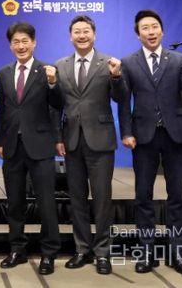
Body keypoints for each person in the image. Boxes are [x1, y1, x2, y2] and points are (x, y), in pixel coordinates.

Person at [119, 9, 182, 276]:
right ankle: (146, 252)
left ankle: (176, 253)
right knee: (143, 196)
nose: (151, 31)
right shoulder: (128, 62)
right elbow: (123, 100)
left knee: (177, 196)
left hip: (175, 134)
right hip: (143, 136)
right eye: (145, 28)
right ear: (138, 35)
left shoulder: (179, 60)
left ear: (162, 31)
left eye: (155, 26)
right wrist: (126, 132)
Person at [54, 15, 127, 275]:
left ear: (94, 35)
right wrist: (58, 138)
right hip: (72, 141)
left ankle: (103, 252)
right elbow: (56, 106)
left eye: (86, 31)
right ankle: (82, 249)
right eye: (77, 31)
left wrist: (116, 77)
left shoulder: (109, 63)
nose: (82, 35)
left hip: (101, 140)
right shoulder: (60, 66)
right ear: (70, 36)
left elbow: (121, 97)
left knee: (102, 199)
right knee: (77, 198)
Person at [0, 21, 63, 275]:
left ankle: (49, 252)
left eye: (25, 41)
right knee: (14, 202)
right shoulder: (4, 73)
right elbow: (3, 110)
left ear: (34, 43)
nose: (21, 46)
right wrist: (1, 141)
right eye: (16, 42)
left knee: (46, 202)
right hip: (12, 147)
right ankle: (17, 249)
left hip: (41, 145)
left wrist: (53, 83)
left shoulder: (47, 70)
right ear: (10, 45)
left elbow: (58, 105)